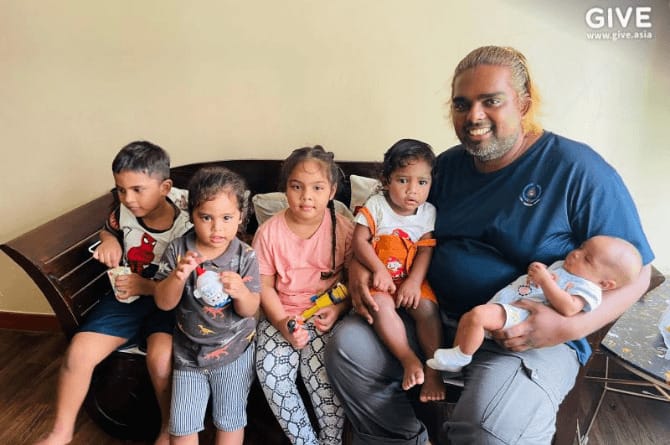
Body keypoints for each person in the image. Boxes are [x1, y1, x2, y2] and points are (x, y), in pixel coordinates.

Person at [324, 45, 654, 445]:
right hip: (433, 316)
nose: (474, 116)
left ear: (524, 104)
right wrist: (358, 269)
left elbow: (639, 275)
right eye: (462, 104)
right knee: (348, 348)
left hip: (524, 335)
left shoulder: (578, 170)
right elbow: (390, 226)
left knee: (491, 428)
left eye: (491, 101)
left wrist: (569, 326)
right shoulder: (444, 168)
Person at [36, 141, 192, 445]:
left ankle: (168, 428)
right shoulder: (123, 211)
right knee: (79, 351)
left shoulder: (187, 218)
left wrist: (148, 286)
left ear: (165, 187)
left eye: (137, 190)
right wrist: (108, 240)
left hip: (171, 304)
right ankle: (60, 432)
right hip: (127, 298)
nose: (128, 199)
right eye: (121, 190)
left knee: (162, 360)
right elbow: (109, 228)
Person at [252, 146, 353, 445]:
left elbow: (353, 280)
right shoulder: (269, 233)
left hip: (325, 316)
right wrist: (283, 323)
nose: (306, 196)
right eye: (297, 187)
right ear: (285, 189)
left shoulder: (344, 229)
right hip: (281, 315)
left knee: (323, 377)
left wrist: (339, 310)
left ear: (331, 191)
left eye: (317, 188)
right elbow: (264, 286)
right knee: (271, 374)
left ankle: (331, 440)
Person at [154, 166, 261, 445]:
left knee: (230, 421)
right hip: (188, 356)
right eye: (206, 217)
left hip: (234, 354)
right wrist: (177, 277)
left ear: (240, 216)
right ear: (192, 215)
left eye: (226, 218)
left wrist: (240, 292)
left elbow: (250, 309)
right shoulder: (178, 250)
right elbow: (163, 303)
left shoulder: (246, 256)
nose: (217, 228)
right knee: (182, 427)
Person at [428, 235, 643, 372]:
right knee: (470, 318)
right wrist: (537, 272)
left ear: (605, 283)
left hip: (524, 315)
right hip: (513, 301)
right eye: (581, 247)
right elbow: (541, 281)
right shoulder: (566, 267)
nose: (576, 254)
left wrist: (545, 281)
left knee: (478, 316)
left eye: (587, 259)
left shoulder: (588, 289)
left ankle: (462, 356)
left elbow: (569, 307)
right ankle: (457, 356)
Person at [352, 138, 445, 401]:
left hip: (410, 278)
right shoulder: (376, 206)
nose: (412, 191)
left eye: (422, 182)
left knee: (428, 311)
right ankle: (408, 358)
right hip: (379, 278)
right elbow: (359, 241)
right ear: (386, 180)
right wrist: (378, 269)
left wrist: (414, 282)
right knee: (380, 307)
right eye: (403, 180)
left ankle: (434, 370)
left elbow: (425, 250)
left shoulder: (427, 212)